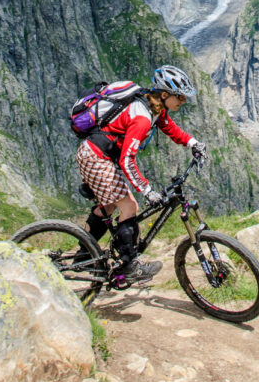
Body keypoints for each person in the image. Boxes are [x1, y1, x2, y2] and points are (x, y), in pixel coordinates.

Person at [75, 65, 207, 282]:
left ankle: (83, 255)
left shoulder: (154, 106)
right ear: (164, 95)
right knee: (129, 206)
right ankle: (129, 266)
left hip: (96, 154)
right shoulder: (143, 117)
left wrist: (192, 143)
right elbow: (127, 160)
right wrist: (146, 190)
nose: (183, 102)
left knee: (108, 206)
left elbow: (169, 127)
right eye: (180, 98)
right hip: (95, 157)